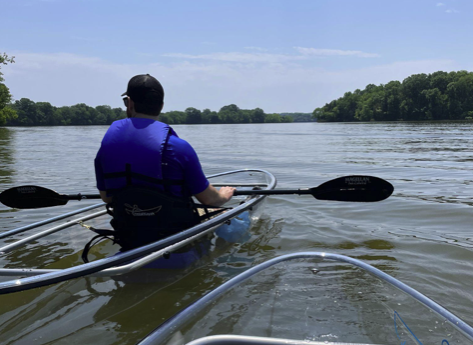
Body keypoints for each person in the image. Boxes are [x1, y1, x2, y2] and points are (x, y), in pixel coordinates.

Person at [93, 74, 235, 251]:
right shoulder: (180, 148)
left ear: (129, 103)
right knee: (219, 210)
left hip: (130, 239)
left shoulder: (105, 149)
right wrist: (224, 195)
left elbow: (107, 197)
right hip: (177, 241)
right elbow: (209, 200)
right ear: (161, 106)